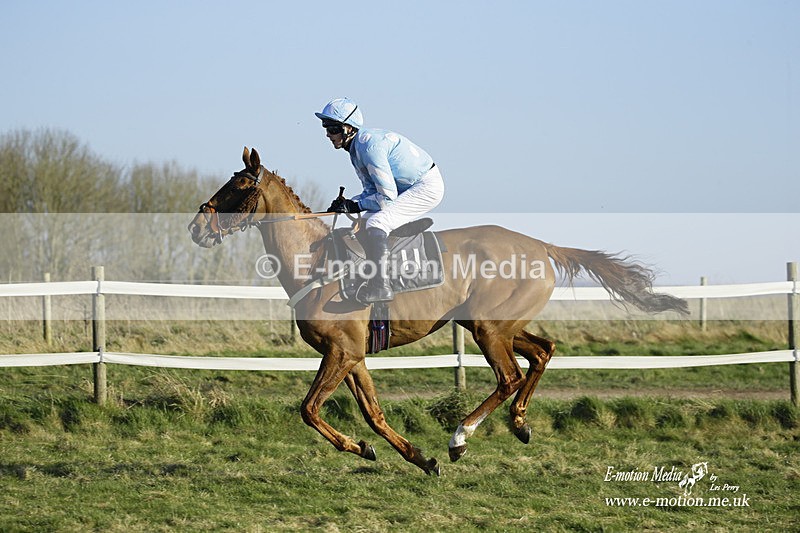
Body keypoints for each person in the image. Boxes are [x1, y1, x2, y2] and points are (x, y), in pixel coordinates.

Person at [316, 97, 444, 305]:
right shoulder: (355, 149)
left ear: (348, 128)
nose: (328, 135)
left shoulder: (368, 147)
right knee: (365, 221)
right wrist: (349, 202)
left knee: (377, 222)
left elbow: (385, 197)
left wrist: (355, 205)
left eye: (332, 129)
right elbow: (370, 190)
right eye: (326, 128)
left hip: (425, 187)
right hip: (405, 188)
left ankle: (381, 286)